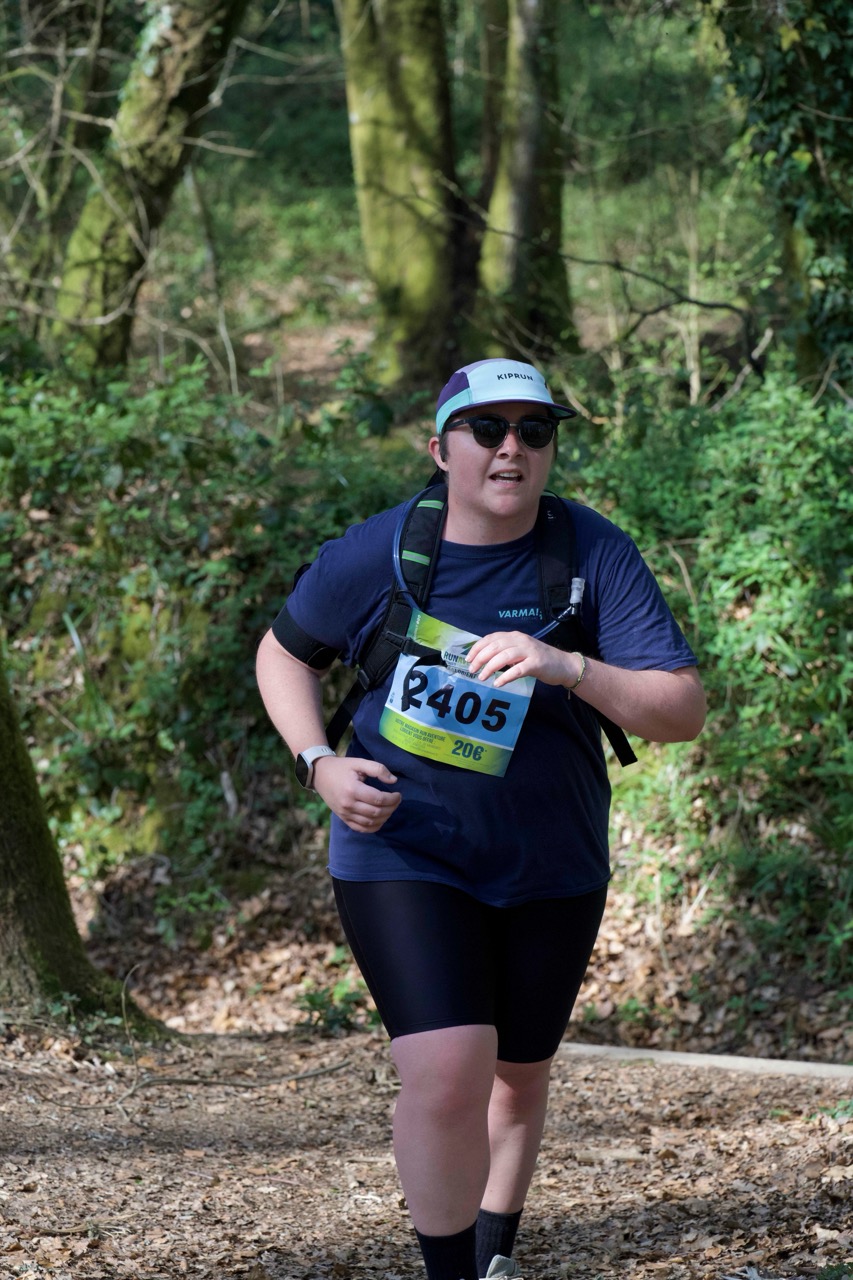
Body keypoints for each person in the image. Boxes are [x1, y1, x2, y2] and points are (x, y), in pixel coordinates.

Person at [255, 357, 706, 1280]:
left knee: (517, 1074)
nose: (512, 449)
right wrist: (318, 763)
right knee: (447, 1071)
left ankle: (494, 1251)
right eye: (487, 430)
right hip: (403, 848)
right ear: (440, 449)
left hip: (551, 854)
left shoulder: (590, 552)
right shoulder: (381, 552)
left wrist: (567, 667)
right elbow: (283, 653)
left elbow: (680, 710)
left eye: (533, 431)